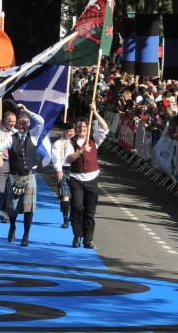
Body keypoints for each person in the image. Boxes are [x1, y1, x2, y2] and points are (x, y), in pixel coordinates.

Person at [0, 104, 44, 247]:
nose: (23, 125)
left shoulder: (34, 135)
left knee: (29, 209)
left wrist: (27, 111)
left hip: (29, 177)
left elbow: (41, 121)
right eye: (20, 123)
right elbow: (0, 146)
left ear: (28, 124)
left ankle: (25, 236)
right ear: (17, 123)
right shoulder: (11, 138)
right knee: (12, 207)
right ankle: (12, 227)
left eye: (25, 123)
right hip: (14, 176)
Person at [65, 103, 109, 249]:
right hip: (76, 178)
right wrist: (81, 151)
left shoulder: (93, 139)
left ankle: (88, 239)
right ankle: (77, 235)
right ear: (75, 129)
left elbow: (105, 128)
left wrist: (95, 112)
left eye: (84, 127)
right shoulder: (70, 142)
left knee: (90, 211)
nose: (82, 129)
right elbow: (69, 158)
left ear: (87, 127)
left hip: (92, 179)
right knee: (77, 207)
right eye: (79, 127)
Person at [0, 111, 16, 223]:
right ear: (5, 120)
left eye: (14, 122)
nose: (13, 124)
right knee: (1, 190)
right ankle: (3, 215)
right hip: (2, 163)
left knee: (12, 191)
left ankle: (10, 212)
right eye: (10, 122)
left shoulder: (17, 132)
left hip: (14, 164)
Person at [51, 122, 76, 228]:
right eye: (68, 131)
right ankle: (65, 219)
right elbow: (56, 158)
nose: (70, 133)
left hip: (76, 170)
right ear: (63, 132)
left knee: (75, 196)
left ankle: (73, 215)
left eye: (72, 131)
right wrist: (58, 169)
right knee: (65, 195)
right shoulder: (58, 143)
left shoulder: (77, 142)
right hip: (64, 170)